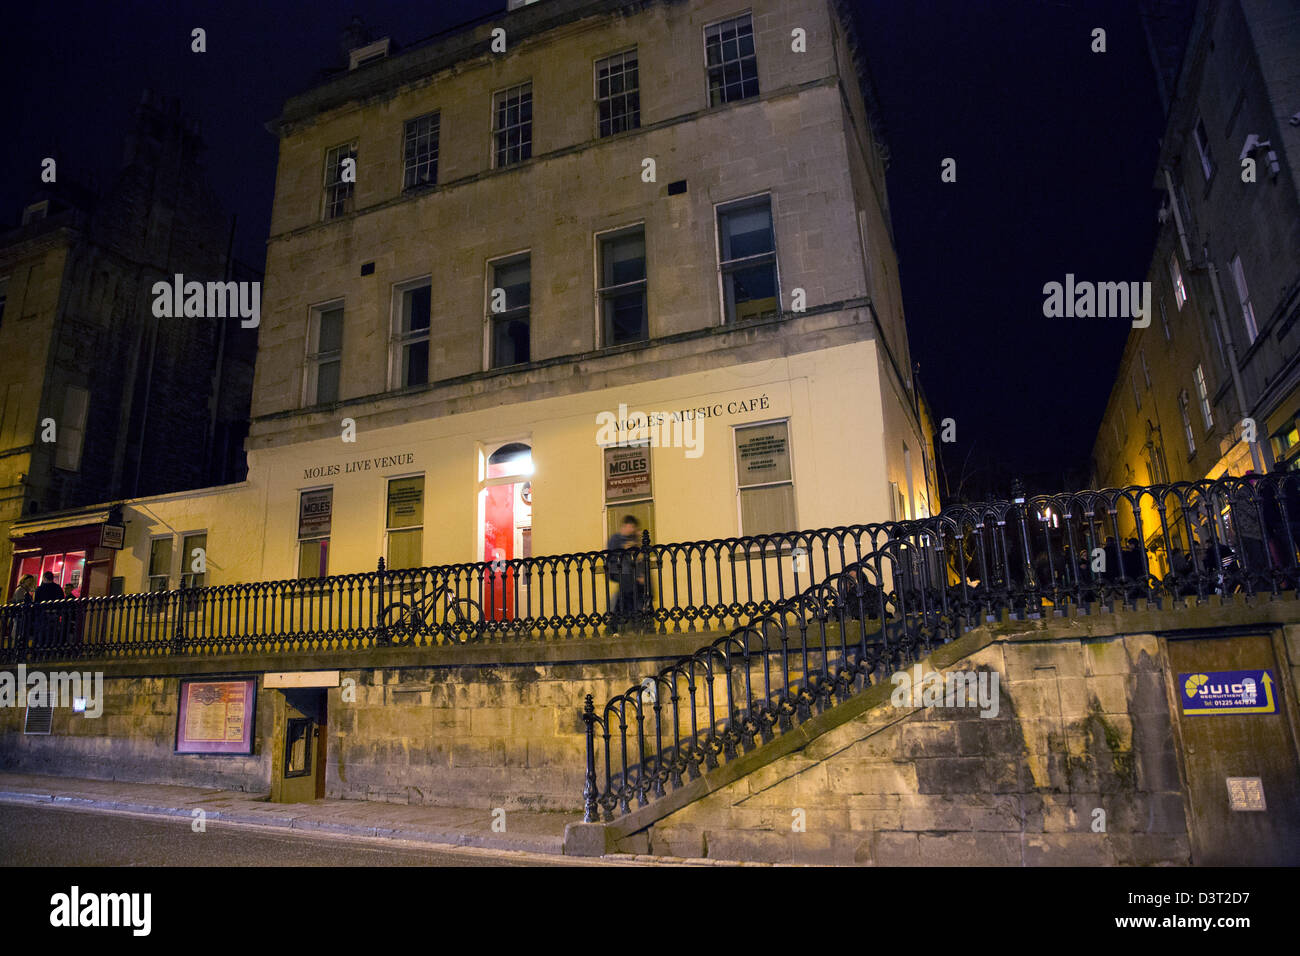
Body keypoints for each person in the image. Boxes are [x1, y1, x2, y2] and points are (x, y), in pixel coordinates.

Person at [606, 516, 643, 620]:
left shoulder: (632, 539)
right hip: (617, 570)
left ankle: (620, 617)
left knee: (629, 592)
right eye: (631, 527)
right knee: (627, 591)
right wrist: (624, 548)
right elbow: (611, 555)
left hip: (628, 572)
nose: (632, 530)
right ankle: (618, 617)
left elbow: (637, 559)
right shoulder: (615, 538)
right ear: (625, 526)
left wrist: (637, 542)